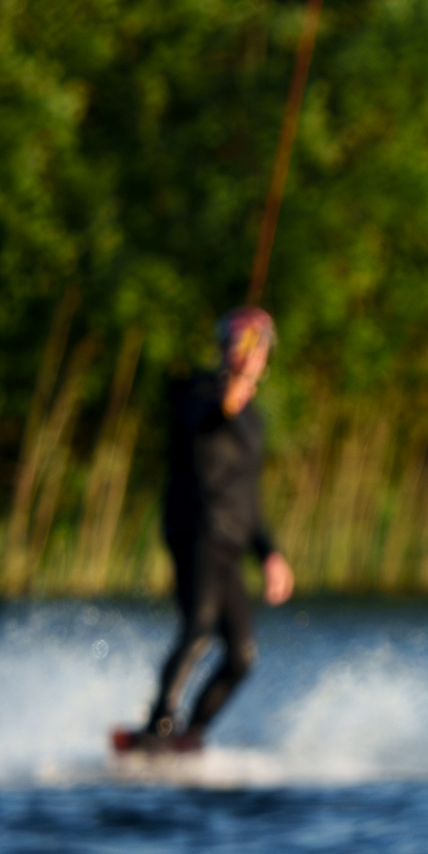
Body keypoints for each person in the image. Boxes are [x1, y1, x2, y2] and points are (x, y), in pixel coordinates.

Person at [133, 307, 294, 747]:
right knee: (199, 628)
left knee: (241, 656)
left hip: (231, 544)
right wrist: (227, 395)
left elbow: (248, 499)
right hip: (196, 532)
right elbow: (206, 418)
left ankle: (192, 736)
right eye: (241, 344)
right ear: (224, 348)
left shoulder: (254, 420)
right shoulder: (195, 392)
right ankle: (158, 727)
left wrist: (270, 554)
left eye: (258, 346)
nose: (250, 353)